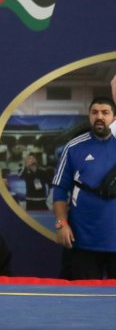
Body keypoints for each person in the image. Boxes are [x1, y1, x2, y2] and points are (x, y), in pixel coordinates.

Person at [52, 96, 116, 280]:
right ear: (89, 116)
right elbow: (59, 191)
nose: (99, 117)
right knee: (82, 302)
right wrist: (61, 224)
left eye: (105, 112)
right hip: (82, 242)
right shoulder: (73, 147)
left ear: (113, 118)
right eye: (94, 112)